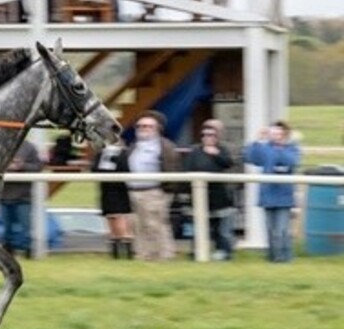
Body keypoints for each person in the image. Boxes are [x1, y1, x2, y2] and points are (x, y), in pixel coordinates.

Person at [126, 110, 180, 260]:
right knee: (138, 225)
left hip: (154, 192)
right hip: (134, 191)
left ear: (157, 129)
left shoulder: (165, 147)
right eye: (140, 126)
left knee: (156, 225)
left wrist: (166, 191)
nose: (143, 129)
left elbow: (173, 168)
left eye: (148, 126)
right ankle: (143, 255)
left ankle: (164, 255)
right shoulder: (134, 146)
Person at [244, 121, 301, 263]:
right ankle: (273, 257)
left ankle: (285, 257)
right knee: (270, 230)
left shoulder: (292, 148)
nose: (275, 136)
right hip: (268, 195)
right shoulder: (265, 148)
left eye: (279, 133)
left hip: (284, 196)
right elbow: (250, 157)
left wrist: (280, 148)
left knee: (282, 230)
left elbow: (292, 162)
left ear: (285, 134)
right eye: (273, 133)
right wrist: (258, 140)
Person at [184, 125, 235, 260]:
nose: (207, 138)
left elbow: (228, 164)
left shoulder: (222, 150)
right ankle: (198, 252)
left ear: (216, 137)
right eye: (204, 135)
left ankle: (223, 252)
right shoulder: (194, 152)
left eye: (211, 135)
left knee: (221, 229)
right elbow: (187, 170)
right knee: (198, 227)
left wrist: (216, 154)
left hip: (219, 196)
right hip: (198, 195)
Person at [0, 140, 43, 257]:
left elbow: (38, 167)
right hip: (4, 196)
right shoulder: (0, 145)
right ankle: (8, 249)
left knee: (26, 227)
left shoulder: (30, 147)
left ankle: (27, 249)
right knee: (7, 227)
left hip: (24, 196)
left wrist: (22, 166)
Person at [92, 142, 134, 259]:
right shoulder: (101, 153)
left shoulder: (124, 153)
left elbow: (126, 169)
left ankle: (127, 251)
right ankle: (115, 252)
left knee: (120, 217)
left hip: (119, 190)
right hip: (106, 190)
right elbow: (94, 169)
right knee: (110, 218)